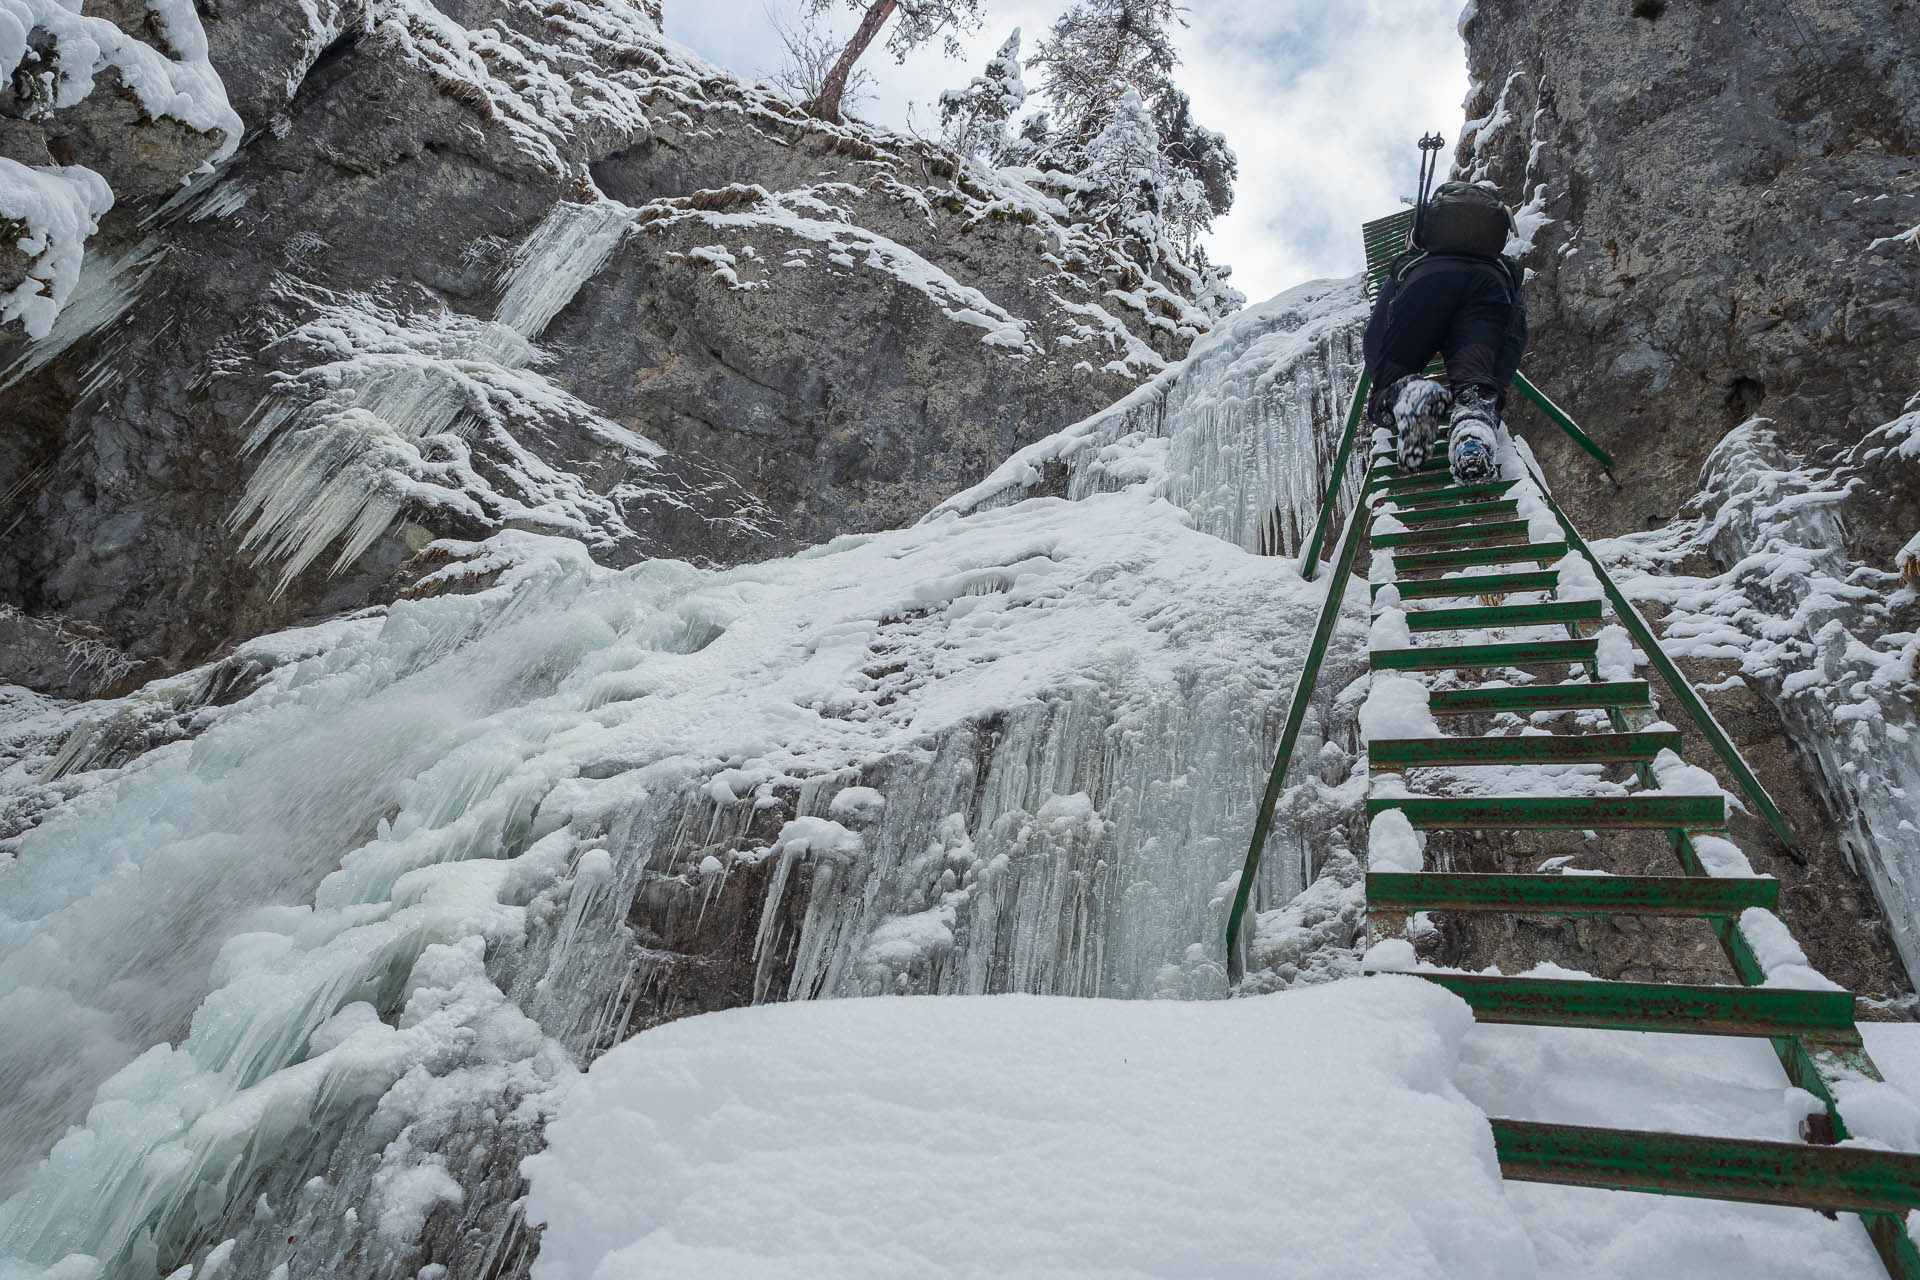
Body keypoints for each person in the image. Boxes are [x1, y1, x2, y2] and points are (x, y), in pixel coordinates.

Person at [1361, 177, 1528, 486]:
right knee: (1474, 386)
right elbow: (1517, 329)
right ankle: (1471, 438)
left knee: (1392, 383)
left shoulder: (1415, 258)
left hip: (1423, 287)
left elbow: (1377, 333)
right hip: (1486, 292)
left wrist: (1382, 376)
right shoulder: (1500, 264)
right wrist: (1493, 383)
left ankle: (1409, 395)